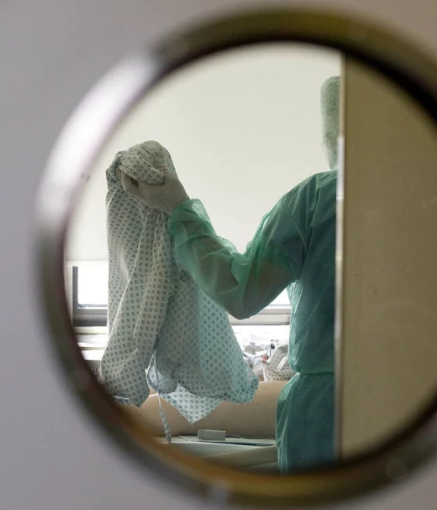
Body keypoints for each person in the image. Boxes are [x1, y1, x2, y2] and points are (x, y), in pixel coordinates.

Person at [121, 77, 340, 473]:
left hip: (324, 414)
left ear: (330, 135)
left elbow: (241, 291)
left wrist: (179, 209)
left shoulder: (315, 200)